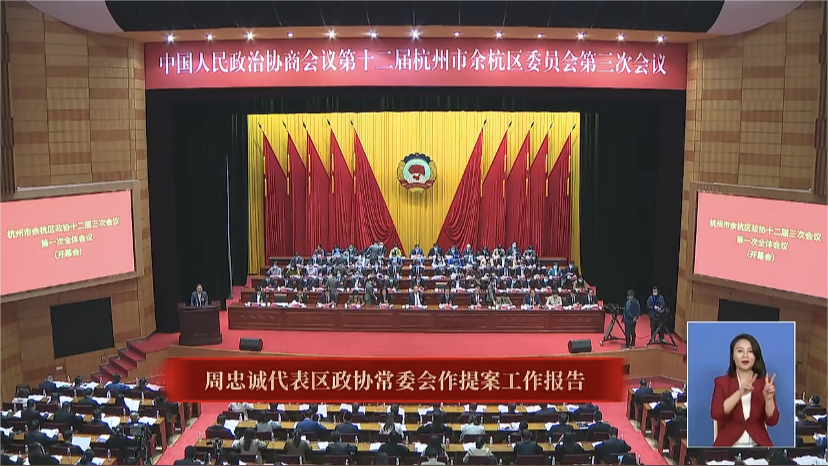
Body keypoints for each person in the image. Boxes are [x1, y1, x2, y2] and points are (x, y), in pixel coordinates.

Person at [710, 333, 779, 447]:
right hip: (729, 445)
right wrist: (740, 393)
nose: (745, 355)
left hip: (758, 445)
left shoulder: (764, 383)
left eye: (750, 351)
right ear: (733, 356)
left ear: (755, 356)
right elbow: (716, 413)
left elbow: (772, 422)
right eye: (740, 351)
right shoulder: (721, 383)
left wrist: (769, 400)